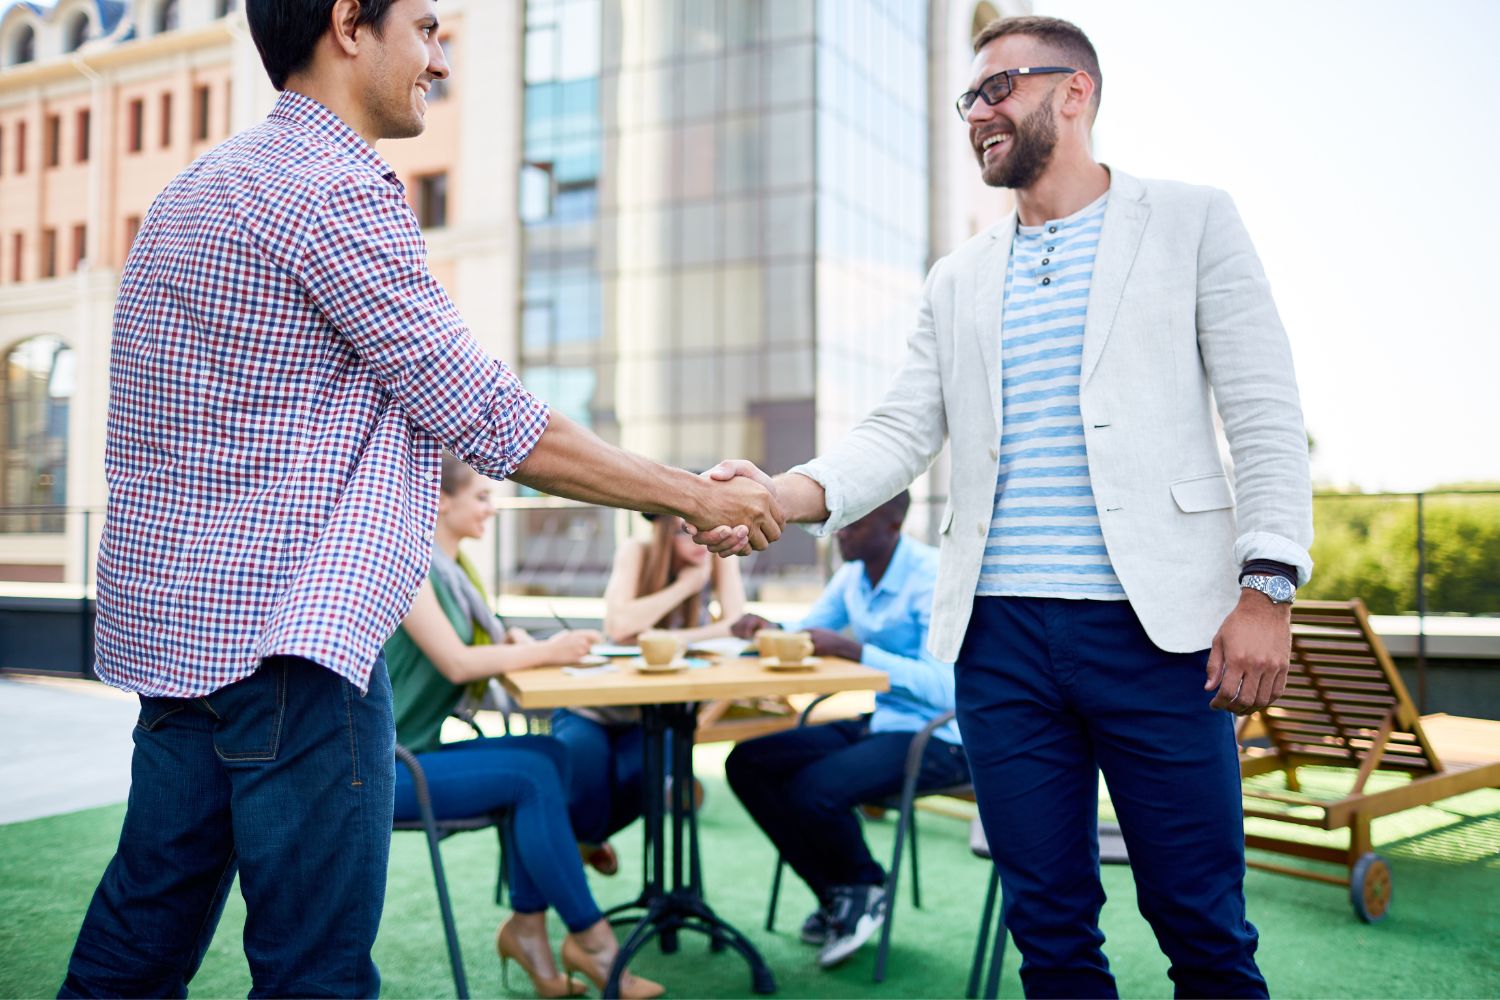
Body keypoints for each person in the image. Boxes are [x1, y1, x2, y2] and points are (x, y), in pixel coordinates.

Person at [62, 1, 780, 995]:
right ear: (349, 24)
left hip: (179, 647)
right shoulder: (339, 187)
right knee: (315, 975)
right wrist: (693, 497)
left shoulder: (190, 192)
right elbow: (493, 419)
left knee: (133, 953)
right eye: (428, 30)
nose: (440, 60)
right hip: (295, 656)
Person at [702, 14, 1311, 998]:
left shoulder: (1193, 219)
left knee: (1202, 925)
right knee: (1049, 931)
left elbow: (1265, 409)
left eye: (999, 89)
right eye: (968, 99)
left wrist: (1268, 587)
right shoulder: (958, 278)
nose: (978, 114)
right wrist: (779, 492)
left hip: (1161, 637)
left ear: (1076, 92)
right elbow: (898, 430)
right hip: (999, 643)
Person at [386, 453, 661, 999]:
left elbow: (479, 647)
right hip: (381, 769)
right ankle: (592, 943)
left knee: (549, 755)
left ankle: (528, 930)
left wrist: (515, 643)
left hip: (416, 752)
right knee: (531, 775)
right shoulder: (409, 566)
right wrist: (545, 651)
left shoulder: (455, 572)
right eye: (481, 497)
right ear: (439, 499)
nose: (491, 508)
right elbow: (458, 663)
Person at [724, 491, 967, 969]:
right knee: (749, 762)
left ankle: (863, 884)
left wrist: (858, 653)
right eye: (840, 523)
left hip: (943, 737)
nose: (840, 533)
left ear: (893, 526)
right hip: (884, 723)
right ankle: (840, 894)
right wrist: (769, 627)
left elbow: (948, 688)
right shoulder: (855, 575)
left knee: (815, 789)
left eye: (855, 524)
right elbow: (811, 632)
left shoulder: (931, 577)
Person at [549, 511, 745, 860]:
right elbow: (620, 626)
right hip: (594, 708)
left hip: (657, 714)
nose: (700, 539)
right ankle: (586, 840)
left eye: (709, 527)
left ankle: (588, 841)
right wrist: (685, 587)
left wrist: (667, 639)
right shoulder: (637, 551)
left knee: (644, 777)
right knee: (584, 772)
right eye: (685, 531)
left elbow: (736, 626)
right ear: (664, 529)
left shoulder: (718, 557)